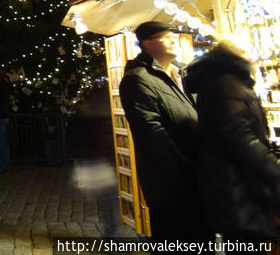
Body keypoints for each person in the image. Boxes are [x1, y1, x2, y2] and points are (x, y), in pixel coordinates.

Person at [185, 40, 280, 243]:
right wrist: (273, 167)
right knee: (245, 242)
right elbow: (238, 134)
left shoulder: (224, 81)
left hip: (231, 179)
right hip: (235, 182)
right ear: (233, 56)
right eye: (247, 51)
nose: (253, 56)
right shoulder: (227, 84)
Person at [119, 21, 206, 241]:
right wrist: (190, 169)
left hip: (197, 181)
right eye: (164, 37)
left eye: (173, 35)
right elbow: (153, 136)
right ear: (147, 44)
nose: (173, 39)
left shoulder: (181, 75)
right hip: (172, 186)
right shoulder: (138, 79)